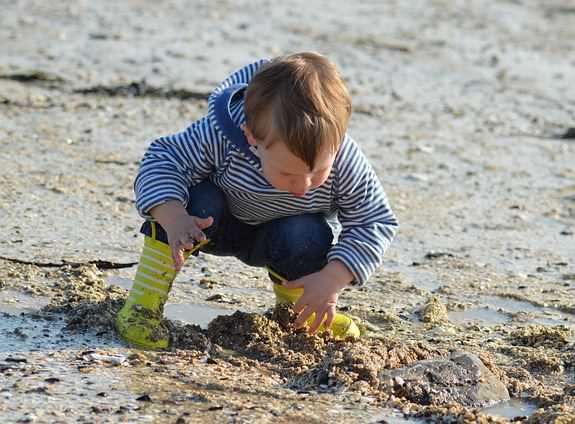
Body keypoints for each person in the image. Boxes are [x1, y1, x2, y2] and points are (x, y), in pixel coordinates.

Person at [115, 52, 398, 349]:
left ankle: (297, 313)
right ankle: (143, 305)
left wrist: (333, 278)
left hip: (283, 236)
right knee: (197, 198)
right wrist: (172, 216)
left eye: (317, 173)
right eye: (288, 172)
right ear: (252, 137)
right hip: (208, 224)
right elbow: (164, 159)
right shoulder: (221, 136)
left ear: (337, 143)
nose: (302, 187)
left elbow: (374, 220)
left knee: (308, 231)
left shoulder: (345, 161)